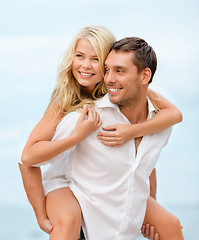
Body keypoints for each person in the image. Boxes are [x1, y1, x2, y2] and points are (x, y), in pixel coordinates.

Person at [19, 26, 183, 240]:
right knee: (68, 220)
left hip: (100, 180)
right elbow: (27, 159)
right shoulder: (66, 103)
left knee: (171, 225)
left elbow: (144, 156)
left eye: (96, 59)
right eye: (79, 56)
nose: (86, 65)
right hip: (64, 181)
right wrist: (41, 216)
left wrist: (131, 132)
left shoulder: (123, 90)